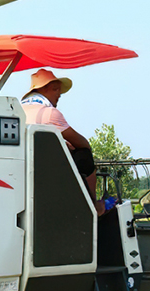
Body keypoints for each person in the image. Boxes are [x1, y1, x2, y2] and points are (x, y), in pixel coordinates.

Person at [20, 69, 115, 215]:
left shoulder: (19, 111)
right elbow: (82, 143)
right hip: (50, 170)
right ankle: (92, 206)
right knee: (84, 157)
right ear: (43, 90)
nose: (59, 94)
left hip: (24, 166)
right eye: (55, 89)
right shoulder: (49, 113)